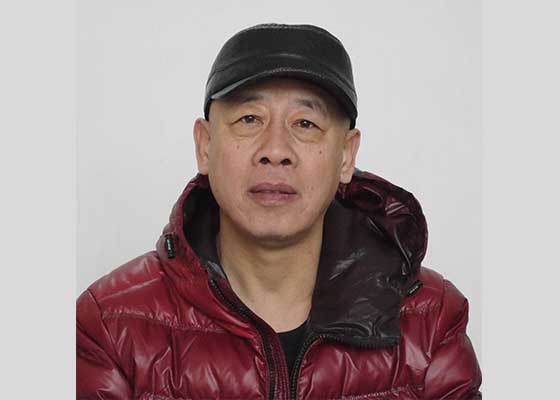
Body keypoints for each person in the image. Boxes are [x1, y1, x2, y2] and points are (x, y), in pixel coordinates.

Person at [77, 23, 482, 399]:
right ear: (205, 146)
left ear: (346, 155)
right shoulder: (111, 324)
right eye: (249, 119)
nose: (275, 150)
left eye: (305, 124)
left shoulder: (429, 320)